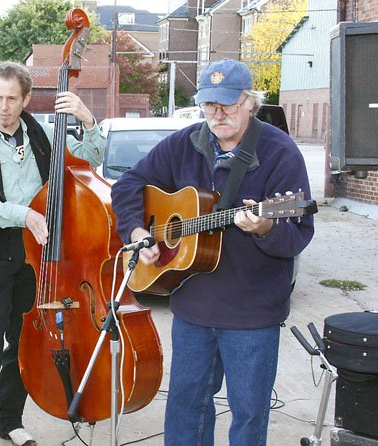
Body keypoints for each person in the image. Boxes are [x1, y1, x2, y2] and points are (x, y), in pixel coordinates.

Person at [110, 59, 315, 445]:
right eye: (209, 105)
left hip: (252, 312)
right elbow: (129, 184)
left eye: (227, 105)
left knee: (249, 414)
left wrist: (266, 227)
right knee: (187, 407)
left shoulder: (280, 152)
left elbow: (299, 233)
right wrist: (138, 229)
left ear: (249, 102)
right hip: (193, 305)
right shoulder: (186, 142)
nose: (217, 115)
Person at [0, 61, 106, 446]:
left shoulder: (43, 136)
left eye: (11, 98)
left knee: (22, 344)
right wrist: (23, 215)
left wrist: (87, 119)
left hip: (36, 258)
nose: (3, 106)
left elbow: (89, 157)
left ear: (25, 99)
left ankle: (10, 422)